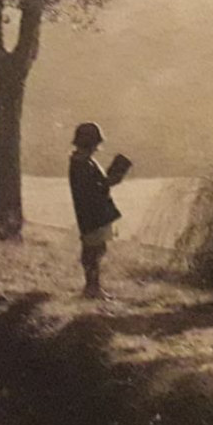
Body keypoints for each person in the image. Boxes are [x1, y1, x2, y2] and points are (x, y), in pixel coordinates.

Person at [68, 122, 130, 299]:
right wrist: (113, 179)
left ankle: (93, 287)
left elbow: (96, 186)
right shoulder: (83, 164)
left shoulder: (82, 162)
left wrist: (107, 181)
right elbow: (95, 188)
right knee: (93, 250)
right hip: (92, 213)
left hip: (91, 212)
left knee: (96, 248)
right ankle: (92, 288)